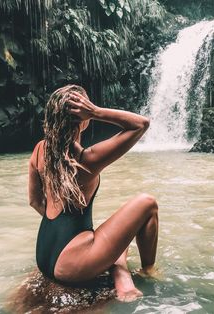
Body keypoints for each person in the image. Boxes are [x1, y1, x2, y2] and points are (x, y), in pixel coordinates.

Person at [29, 84, 159, 302]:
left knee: (120, 230)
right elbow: (141, 124)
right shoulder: (87, 160)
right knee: (148, 203)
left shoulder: (40, 149)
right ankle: (147, 271)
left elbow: (34, 201)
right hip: (72, 266)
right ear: (84, 118)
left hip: (44, 255)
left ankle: (119, 272)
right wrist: (97, 111)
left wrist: (66, 231)